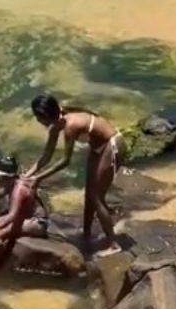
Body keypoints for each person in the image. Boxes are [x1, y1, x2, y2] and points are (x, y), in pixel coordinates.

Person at [27, 94, 121, 255]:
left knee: (96, 197)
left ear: (45, 116)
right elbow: (47, 155)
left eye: (37, 116)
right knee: (89, 193)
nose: (36, 120)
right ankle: (86, 233)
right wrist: (28, 175)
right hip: (98, 148)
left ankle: (114, 244)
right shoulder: (58, 123)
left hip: (112, 145)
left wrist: (39, 178)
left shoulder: (70, 125)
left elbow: (65, 161)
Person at [0, 155, 49, 276]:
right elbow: (4, 190)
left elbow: (12, 215)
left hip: (37, 222)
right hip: (27, 217)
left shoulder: (18, 190)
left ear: (2, 177)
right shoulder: (14, 181)